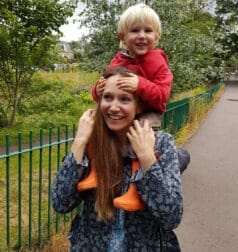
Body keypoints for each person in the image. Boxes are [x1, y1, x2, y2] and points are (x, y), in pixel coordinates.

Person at [51, 67, 183, 251]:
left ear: (139, 106)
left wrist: (146, 157)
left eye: (125, 99)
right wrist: (80, 141)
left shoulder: (161, 143)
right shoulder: (91, 143)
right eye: (107, 97)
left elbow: (171, 216)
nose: (113, 107)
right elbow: (60, 202)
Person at [92, 3, 173, 132]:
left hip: (147, 113)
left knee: (142, 132)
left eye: (148, 31)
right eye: (135, 30)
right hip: (120, 110)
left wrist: (140, 85)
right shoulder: (118, 61)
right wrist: (97, 90)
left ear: (157, 35)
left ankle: (151, 150)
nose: (141, 36)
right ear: (123, 37)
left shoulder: (158, 62)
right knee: (95, 122)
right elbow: (104, 90)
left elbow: (162, 95)